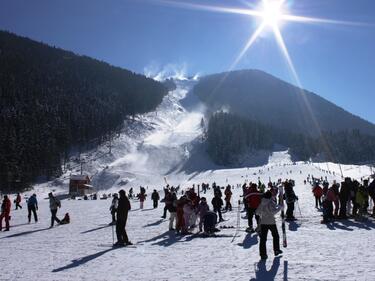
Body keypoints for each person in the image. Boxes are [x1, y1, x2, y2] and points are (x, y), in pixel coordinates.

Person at [256, 191, 283, 260]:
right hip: (271, 222)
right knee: (275, 236)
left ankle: (263, 254)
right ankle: (276, 250)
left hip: (263, 222)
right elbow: (273, 212)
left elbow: (257, 212)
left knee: (263, 239)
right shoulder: (271, 202)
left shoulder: (262, 202)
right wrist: (280, 208)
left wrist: (263, 214)